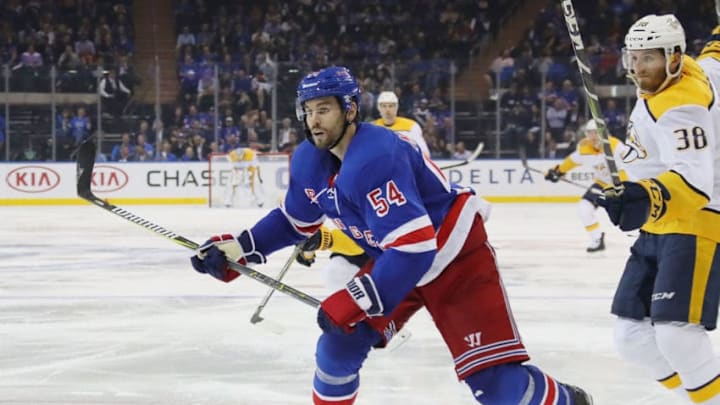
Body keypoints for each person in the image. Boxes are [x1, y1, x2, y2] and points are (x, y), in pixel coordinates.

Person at [190, 66, 592, 404]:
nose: (314, 120)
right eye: (308, 110)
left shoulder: (375, 156)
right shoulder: (310, 160)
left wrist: (355, 296)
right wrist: (242, 247)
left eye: (324, 109)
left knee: (496, 388)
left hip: (452, 257)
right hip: (395, 260)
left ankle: (569, 400)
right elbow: (294, 221)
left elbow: (417, 246)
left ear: (350, 110)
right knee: (337, 347)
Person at [597, 14, 720, 403]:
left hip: (696, 222)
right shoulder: (700, 66)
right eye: (632, 57)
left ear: (673, 57)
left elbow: (694, 181)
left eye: (647, 59)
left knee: (677, 334)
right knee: (632, 337)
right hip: (660, 226)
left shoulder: (681, 108)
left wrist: (642, 197)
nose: (636, 69)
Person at [544, 120, 629, 252]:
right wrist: (558, 171)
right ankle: (597, 238)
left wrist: (623, 189)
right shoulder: (584, 146)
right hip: (602, 183)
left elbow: (626, 170)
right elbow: (573, 160)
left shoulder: (616, 146)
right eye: (590, 133)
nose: (593, 136)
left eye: (596, 133)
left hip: (624, 184)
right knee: (584, 208)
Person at [372, 91, 430, 156]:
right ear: (379, 108)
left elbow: (424, 153)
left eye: (391, 106)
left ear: (397, 107)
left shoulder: (411, 126)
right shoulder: (371, 128)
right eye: (384, 106)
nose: (387, 109)